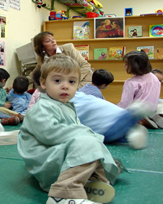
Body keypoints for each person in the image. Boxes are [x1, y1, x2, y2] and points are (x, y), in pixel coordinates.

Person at [17, 55, 120, 204]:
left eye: (71, 82)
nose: (65, 86)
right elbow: (51, 134)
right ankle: (63, 194)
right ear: (44, 83)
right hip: (45, 161)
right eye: (58, 81)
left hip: (60, 155)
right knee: (88, 144)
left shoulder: (66, 106)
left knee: (97, 151)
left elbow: (74, 132)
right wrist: (89, 135)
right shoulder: (42, 107)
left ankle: (91, 180)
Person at [28, 67, 150, 150]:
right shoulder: (78, 92)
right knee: (115, 134)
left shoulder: (54, 104)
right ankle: (131, 126)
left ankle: (131, 123)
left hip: (105, 128)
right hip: (117, 115)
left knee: (103, 136)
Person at [118, 51, 163, 129]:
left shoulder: (131, 82)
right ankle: (149, 116)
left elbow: (125, 104)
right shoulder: (154, 78)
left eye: (127, 64)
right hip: (152, 110)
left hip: (136, 112)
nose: (124, 65)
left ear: (135, 65)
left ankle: (139, 120)